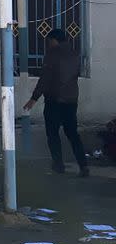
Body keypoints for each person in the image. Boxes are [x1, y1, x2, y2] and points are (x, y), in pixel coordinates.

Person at [23, 28, 89, 177]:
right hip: (71, 100)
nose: (48, 45)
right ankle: (83, 165)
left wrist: (34, 98)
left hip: (54, 100)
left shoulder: (53, 55)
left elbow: (45, 78)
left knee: (53, 134)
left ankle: (58, 164)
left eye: (49, 41)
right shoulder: (75, 54)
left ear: (54, 40)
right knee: (72, 133)